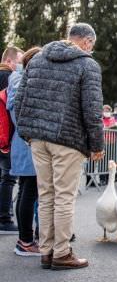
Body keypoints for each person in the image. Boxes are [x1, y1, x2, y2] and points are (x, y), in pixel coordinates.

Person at [16, 23, 104, 270]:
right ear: (86, 42)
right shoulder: (87, 65)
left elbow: (21, 99)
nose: (91, 50)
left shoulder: (37, 60)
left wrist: (27, 133)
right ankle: (62, 253)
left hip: (38, 139)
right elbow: (92, 109)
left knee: (46, 196)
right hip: (68, 139)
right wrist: (96, 144)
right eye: (92, 46)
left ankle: (46, 251)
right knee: (64, 197)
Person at [8, 47, 41, 256]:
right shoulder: (23, 82)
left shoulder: (16, 80)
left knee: (24, 192)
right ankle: (26, 241)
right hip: (28, 144)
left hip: (21, 144)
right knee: (29, 193)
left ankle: (25, 239)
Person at [0, 46, 23, 234]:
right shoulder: (7, 78)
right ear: (9, 61)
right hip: (5, 135)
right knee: (8, 178)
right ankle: (4, 218)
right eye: (19, 61)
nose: (21, 66)